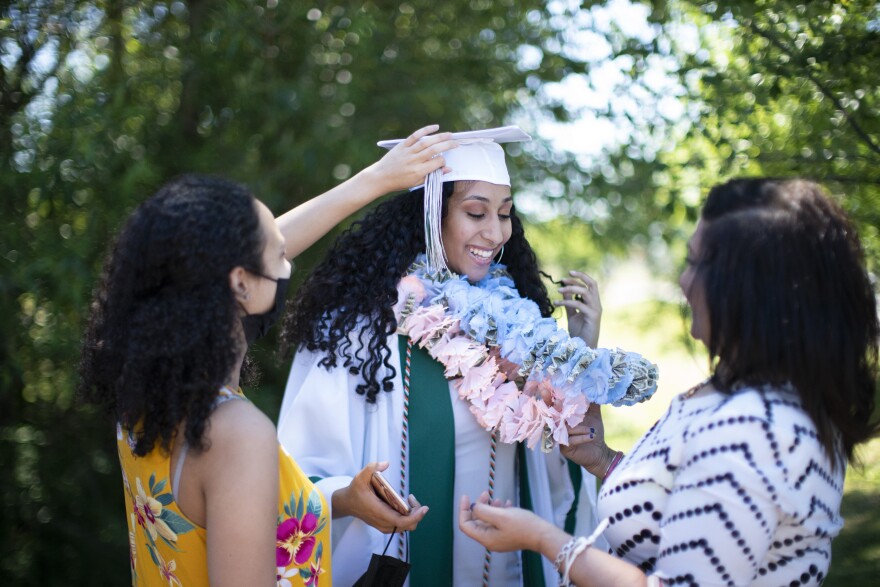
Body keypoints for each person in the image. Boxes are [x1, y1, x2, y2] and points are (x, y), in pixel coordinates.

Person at [277, 126, 658, 586]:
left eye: (504, 214)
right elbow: (296, 475)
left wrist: (576, 356)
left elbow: (562, 464)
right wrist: (345, 497)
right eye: (476, 213)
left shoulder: (518, 330)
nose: (495, 232)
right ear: (430, 218)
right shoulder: (357, 330)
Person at [78, 125, 456, 586]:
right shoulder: (235, 432)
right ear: (238, 282)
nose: (288, 265)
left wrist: (340, 501)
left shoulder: (145, 397)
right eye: (279, 255)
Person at [459, 178, 879, 587]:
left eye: (696, 263)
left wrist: (543, 539)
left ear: (748, 290)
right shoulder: (748, 392)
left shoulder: (755, 427)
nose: (682, 281)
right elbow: (694, 509)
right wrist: (605, 461)